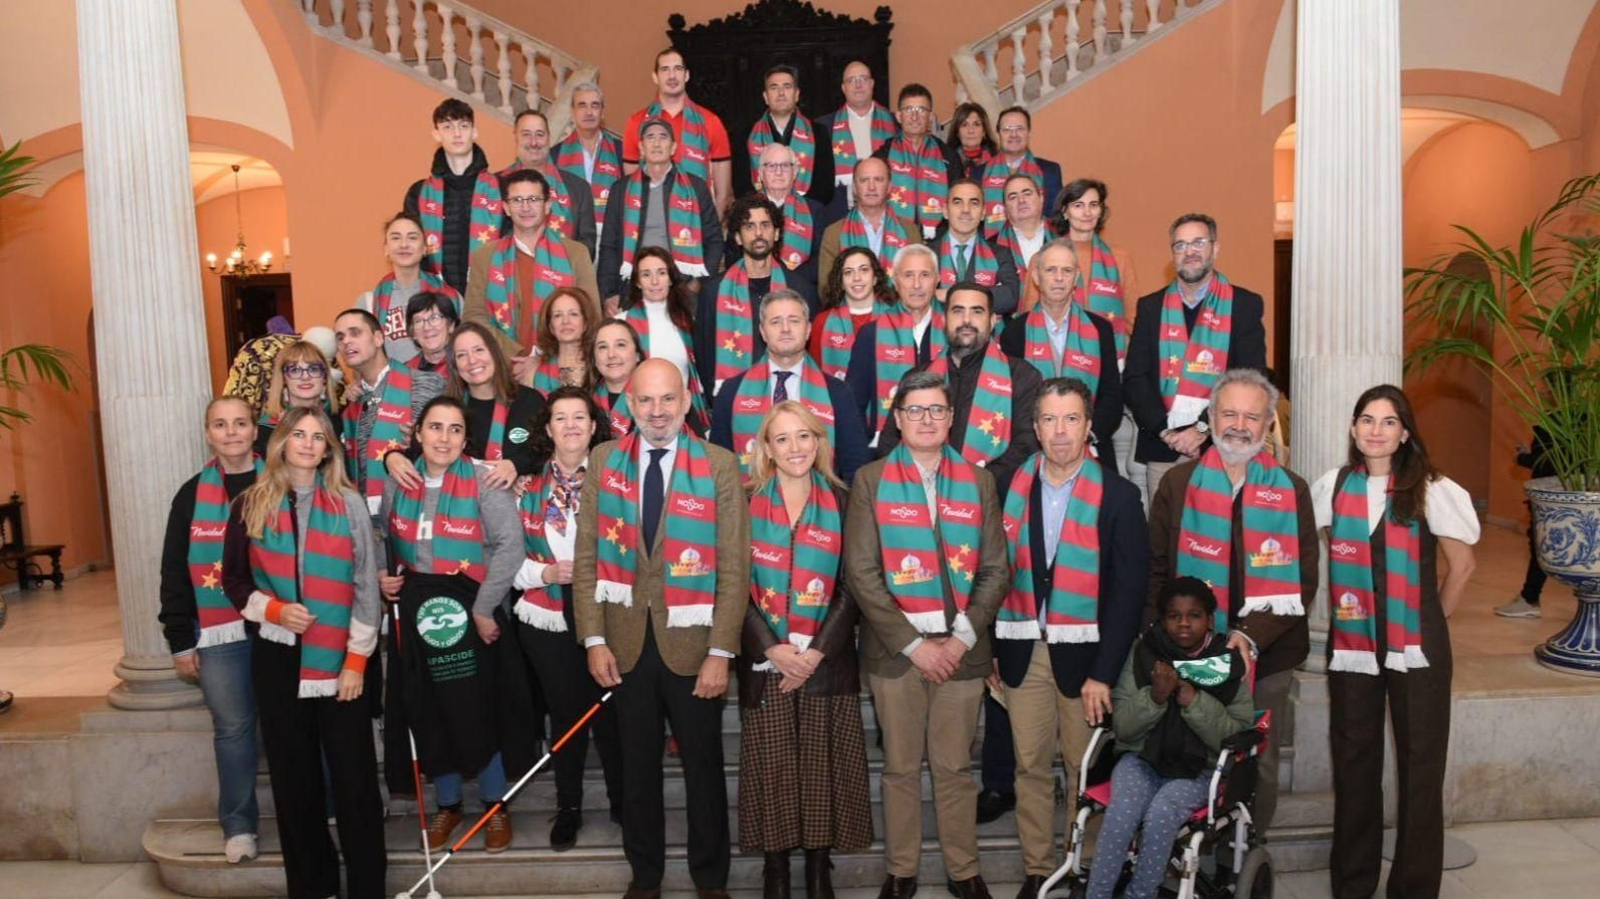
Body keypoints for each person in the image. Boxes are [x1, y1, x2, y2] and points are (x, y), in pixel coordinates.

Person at [574, 358, 750, 899]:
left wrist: (722, 650)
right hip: (624, 644)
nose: (657, 411)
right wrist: (594, 639)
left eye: (667, 400)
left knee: (703, 769)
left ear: (685, 401)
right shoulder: (604, 460)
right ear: (629, 404)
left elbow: (733, 566)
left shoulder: (718, 465)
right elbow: (585, 560)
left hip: (694, 646)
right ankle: (644, 877)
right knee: (636, 772)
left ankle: (710, 880)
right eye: (645, 400)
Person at [844, 369, 1009, 899]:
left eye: (937, 410)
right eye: (915, 410)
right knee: (898, 768)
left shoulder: (980, 481)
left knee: (956, 767)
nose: (927, 419)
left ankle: (964, 870)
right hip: (897, 652)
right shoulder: (870, 481)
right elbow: (862, 575)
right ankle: (902, 870)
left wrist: (959, 640)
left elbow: (994, 571)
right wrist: (916, 645)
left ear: (952, 417)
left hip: (963, 648)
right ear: (897, 419)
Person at [1312, 384, 1479, 899]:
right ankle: (1353, 882)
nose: (1376, 431)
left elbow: (1463, 565)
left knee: (1420, 764)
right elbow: (1320, 548)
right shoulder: (1333, 486)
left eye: (1388, 422)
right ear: (1353, 429)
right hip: (1353, 643)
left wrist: (1431, 617)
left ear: (1405, 432)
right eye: (1366, 419)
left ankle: (1412, 887)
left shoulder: (1431, 487)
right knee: (1354, 759)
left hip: (1417, 644)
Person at [990, 378, 1147, 897]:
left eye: (1072, 419)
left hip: (1087, 661)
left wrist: (1105, 672)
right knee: (1030, 768)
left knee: (1085, 773)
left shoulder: (1120, 495)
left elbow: (1129, 593)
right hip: (1021, 650)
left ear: (1088, 427)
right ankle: (1039, 869)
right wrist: (992, 648)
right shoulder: (1007, 485)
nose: (1060, 432)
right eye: (1050, 420)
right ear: (1035, 428)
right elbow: (989, 574)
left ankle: (1083, 869)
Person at [221, 405, 385, 899]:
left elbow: (366, 588)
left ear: (329, 447)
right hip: (279, 656)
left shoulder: (350, 504)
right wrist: (271, 611)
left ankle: (365, 888)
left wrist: (356, 661)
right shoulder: (249, 503)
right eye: (299, 434)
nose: (309, 444)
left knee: (355, 782)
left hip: (343, 661)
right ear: (281, 443)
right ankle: (312, 886)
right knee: (294, 782)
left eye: (319, 436)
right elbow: (234, 581)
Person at [1145, 368, 1315, 835]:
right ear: (1212, 417)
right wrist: (1158, 644)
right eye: (1229, 413)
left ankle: (1242, 852)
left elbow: (1302, 581)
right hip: (1189, 651)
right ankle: (1193, 846)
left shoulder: (1293, 489)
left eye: (1252, 416)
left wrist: (1246, 635)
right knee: (1193, 753)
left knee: (1253, 762)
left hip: (1267, 653)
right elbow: (1157, 571)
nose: (1240, 425)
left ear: (1266, 426)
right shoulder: (1178, 485)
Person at [377, 396, 524, 853]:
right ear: (418, 434)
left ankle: (495, 805)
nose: (444, 438)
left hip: (472, 610)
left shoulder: (484, 481)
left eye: (455, 429)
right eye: (435, 428)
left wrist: (483, 609)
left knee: (478, 708)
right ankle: (448, 804)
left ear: (466, 438)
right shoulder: (398, 481)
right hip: (417, 613)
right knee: (428, 706)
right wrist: (384, 579)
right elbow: (387, 543)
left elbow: (510, 547)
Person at [738, 401, 872, 898]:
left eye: (804, 436)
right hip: (765, 661)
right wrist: (772, 648)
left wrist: (815, 652)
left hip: (826, 661)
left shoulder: (844, 499)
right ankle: (776, 871)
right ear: (766, 449)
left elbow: (853, 585)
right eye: (782, 438)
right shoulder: (746, 498)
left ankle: (818, 870)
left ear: (819, 442)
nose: (794, 447)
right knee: (771, 767)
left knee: (821, 769)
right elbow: (734, 584)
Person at [1086, 577, 1255, 899]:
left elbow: (1237, 732)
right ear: (1162, 620)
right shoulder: (1143, 653)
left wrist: (1195, 702)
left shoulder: (1225, 663)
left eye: (1194, 615)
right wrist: (1155, 698)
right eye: (1174, 616)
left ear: (1209, 620)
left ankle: (1140, 894)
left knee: (1161, 812)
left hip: (1200, 768)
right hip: (1141, 759)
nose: (1183, 624)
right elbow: (1122, 728)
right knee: (1122, 814)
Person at [511, 386, 626, 848]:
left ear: (595, 426)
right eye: (561, 418)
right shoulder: (526, 488)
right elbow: (502, 559)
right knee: (566, 715)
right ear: (548, 428)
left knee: (615, 714)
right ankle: (569, 805)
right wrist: (545, 571)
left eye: (580, 416)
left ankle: (624, 801)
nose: (572, 425)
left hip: (610, 612)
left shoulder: (618, 481)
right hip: (549, 614)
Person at [158, 396, 264, 864]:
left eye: (240, 423)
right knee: (233, 728)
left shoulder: (280, 481)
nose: (232, 432)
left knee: (299, 723)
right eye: (220, 425)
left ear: (255, 431)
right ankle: (239, 826)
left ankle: (320, 805)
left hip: (280, 625)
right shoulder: (191, 494)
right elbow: (174, 571)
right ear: (208, 434)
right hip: (218, 633)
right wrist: (180, 639)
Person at [1123, 213, 1267, 502]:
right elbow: (1135, 379)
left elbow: (1249, 380)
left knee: (1221, 534)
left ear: (1215, 249)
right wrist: (1167, 431)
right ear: (1172, 254)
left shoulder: (1244, 305)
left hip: (1223, 444)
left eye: (1198, 242)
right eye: (1180, 245)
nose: (1190, 251)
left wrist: (1202, 428)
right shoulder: (1151, 307)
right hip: (1163, 446)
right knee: (1165, 539)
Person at [880, 282, 1042, 493]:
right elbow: (890, 442)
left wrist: (972, 484)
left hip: (992, 497)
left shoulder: (1022, 377)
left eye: (977, 311)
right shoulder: (917, 377)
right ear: (944, 320)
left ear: (992, 321)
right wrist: (923, 480)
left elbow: (1026, 446)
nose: (966, 320)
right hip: (919, 494)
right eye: (958, 311)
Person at [711, 289, 871, 485]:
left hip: (822, 509)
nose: (785, 328)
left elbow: (855, 466)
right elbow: (719, 468)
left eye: (794, 320)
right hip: (751, 509)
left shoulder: (838, 393)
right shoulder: (731, 392)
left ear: (808, 329)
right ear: (762, 331)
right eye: (775, 322)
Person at [463, 168, 600, 386]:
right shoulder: (485, 256)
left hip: (563, 373)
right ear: (506, 207)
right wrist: (514, 356)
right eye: (517, 200)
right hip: (503, 369)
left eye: (533, 199)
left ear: (547, 205)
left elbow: (591, 315)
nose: (525, 207)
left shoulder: (575, 253)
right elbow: (473, 316)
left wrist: (542, 360)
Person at [999, 239, 1123, 467]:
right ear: (1036, 277)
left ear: (1076, 277)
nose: (1058, 278)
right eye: (1050, 270)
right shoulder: (1015, 332)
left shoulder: (1100, 329)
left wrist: (1084, 435)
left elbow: (1112, 396)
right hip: (1033, 451)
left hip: (1090, 446)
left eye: (1066, 271)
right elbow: (1012, 402)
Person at [1052, 179, 1140, 498]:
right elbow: (1029, 313)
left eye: (1094, 204)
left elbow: (1132, 319)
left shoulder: (1119, 258)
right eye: (1078, 205)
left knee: (1109, 461)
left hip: (1107, 374)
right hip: (1057, 368)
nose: (1087, 212)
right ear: (1065, 210)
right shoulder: (1048, 257)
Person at [599, 116, 726, 309]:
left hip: (682, 287)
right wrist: (609, 292)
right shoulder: (621, 189)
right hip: (634, 287)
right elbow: (609, 244)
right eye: (650, 137)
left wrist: (697, 284)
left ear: (673, 147)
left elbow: (714, 240)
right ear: (641, 148)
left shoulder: (695, 188)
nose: (657, 142)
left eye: (663, 137)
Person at [334, 309, 447, 518]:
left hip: (417, 513)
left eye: (355, 333)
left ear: (378, 338)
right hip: (365, 518)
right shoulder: (351, 400)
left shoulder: (423, 383)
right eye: (340, 337)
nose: (346, 341)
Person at [844, 245, 944, 445]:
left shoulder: (954, 330)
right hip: (883, 448)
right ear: (895, 281)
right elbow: (854, 404)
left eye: (925, 275)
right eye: (908, 275)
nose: (917, 284)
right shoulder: (871, 334)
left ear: (937, 280)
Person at [404, 98, 503, 293]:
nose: (457, 134)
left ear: (475, 132)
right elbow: (412, 250)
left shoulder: (500, 188)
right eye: (447, 126)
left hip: (490, 295)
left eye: (463, 126)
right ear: (436, 134)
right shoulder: (419, 192)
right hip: (436, 300)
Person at [623, 48, 734, 216]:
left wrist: (712, 231)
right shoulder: (636, 123)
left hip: (699, 220)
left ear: (687, 75)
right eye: (665, 69)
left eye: (678, 69)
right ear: (655, 77)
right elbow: (631, 186)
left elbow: (723, 193)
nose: (672, 76)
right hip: (651, 223)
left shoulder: (711, 122)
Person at [698, 194, 787, 397]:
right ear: (738, 237)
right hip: (730, 400)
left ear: (776, 233)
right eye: (749, 226)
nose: (758, 233)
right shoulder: (713, 291)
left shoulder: (799, 289)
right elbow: (704, 356)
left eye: (765, 225)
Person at [617, 246, 713, 429]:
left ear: (670, 278)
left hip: (684, 417)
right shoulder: (621, 324)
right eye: (646, 274)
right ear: (637, 282)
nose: (654, 281)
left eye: (661, 273)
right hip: (636, 420)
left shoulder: (688, 323)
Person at [363, 211, 461, 366]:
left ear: (424, 249)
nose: (404, 245)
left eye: (412, 237)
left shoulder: (450, 297)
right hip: (392, 386)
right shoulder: (370, 302)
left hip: (444, 384)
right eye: (395, 238)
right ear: (386, 249)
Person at [501, 108, 599, 258]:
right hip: (509, 274)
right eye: (526, 134)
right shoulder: (495, 185)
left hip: (565, 276)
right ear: (516, 137)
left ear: (548, 138)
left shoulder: (578, 188)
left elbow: (588, 244)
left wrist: (562, 265)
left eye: (539, 134)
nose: (534, 142)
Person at [872, 83, 961, 240]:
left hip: (938, 242)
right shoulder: (882, 157)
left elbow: (959, 203)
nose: (914, 116)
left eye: (921, 110)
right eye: (908, 110)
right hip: (892, 239)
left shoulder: (948, 157)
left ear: (930, 116)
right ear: (899, 116)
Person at [814, 60, 898, 221]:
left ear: (872, 83)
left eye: (863, 79)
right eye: (852, 80)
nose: (858, 85)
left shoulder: (895, 124)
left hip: (889, 213)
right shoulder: (822, 127)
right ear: (843, 88)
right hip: (839, 216)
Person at [741, 63, 834, 206]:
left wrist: (798, 209)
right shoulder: (745, 135)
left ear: (797, 94)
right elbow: (741, 186)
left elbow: (825, 186)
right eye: (774, 87)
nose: (781, 93)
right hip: (760, 215)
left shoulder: (818, 132)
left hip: (808, 215)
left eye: (787, 86)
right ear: (765, 97)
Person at [818, 157, 920, 282]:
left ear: (889, 187)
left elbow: (918, 282)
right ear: (854, 188)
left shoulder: (910, 232)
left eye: (878, 180)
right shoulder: (833, 234)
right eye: (864, 180)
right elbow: (826, 289)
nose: (871, 187)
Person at [757, 142, 827, 308]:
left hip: (801, 290)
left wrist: (791, 279)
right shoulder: (745, 208)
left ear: (795, 172)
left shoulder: (815, 210)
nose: (779, 172)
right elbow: (736, 252)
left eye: (785, 166)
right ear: (760, 173)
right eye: (771, 166)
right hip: (756, 289)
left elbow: (821, 257)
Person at [935, 179, 1020, 315]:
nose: (966, 210)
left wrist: (949, 294)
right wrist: (987, 297)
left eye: (974, 203)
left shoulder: (1000, 254)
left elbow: (1010, 297)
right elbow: (919, 296)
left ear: (983, 213)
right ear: (945, 210)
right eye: (957, 202)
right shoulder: (927, 253)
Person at [554, 82, 625, 245]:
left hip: (610, 238)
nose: (589, 112)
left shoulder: (620, 151)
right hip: (568, 238)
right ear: (572, 112)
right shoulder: (555, 154)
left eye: (595, 105)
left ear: (602, 112)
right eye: (582, 105)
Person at [810, 246, 896, 381]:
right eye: (848, 272)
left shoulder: (897, 320)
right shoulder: (822, 321)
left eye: (864, 270)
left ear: (875, 278)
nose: (857, 278)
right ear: (841, 282)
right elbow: (813, 375)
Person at [979, 107, 1062, 239]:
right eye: (1007, 129)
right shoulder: (980, 173)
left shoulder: (1049, 170)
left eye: (1020, 128)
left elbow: (1056, 218)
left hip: (1040, 247)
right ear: (998, 134)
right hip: (993, 251)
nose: (1014, 134)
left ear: (1029, 133)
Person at [1500, 426, 1555, 618]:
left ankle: (1529, 598)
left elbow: (1548, 463)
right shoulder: (1584, 421)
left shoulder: (1552, 424)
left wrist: (1522, 458)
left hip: (1551, 498)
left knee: (1540, 546)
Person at [257, 341, 337, 456]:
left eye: (313, 369)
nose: (305, 377)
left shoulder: (340, 420)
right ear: (284, 379)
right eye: (295, 370)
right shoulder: (266, 429)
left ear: (324, 376)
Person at [528, 286, 600, 395]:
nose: (565, 321)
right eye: (557, 315)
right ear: (550, 326)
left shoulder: (601, 366)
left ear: (586, 322)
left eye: (573, 314)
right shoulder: (534, 371)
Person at [991, 174, 1053, 286]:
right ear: (1005, 208)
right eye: (1013, 197)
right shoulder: (991, 246)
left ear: (1041, 198)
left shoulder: (1063, 236)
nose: (1021, 200)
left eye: (1027, 193)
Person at [593, 318, 647, 437]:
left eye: (620, 345)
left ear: (637, 355)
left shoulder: (661, 398)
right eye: (603, 347)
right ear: (594, 359)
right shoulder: (585, 403)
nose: (611, 354)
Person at [406, 290, 461, 375]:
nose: (427, 327)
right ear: (413, 333)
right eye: (419, 321)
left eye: (434, 318)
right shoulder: (404, 373)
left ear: (451, 326)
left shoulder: (466, 366)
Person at [946, 102, 997, 182]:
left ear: (984, 131)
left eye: (976, 124)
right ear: (957, 133)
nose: (971, 130)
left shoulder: (998, 161)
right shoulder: (947, 163)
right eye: (964, 125)